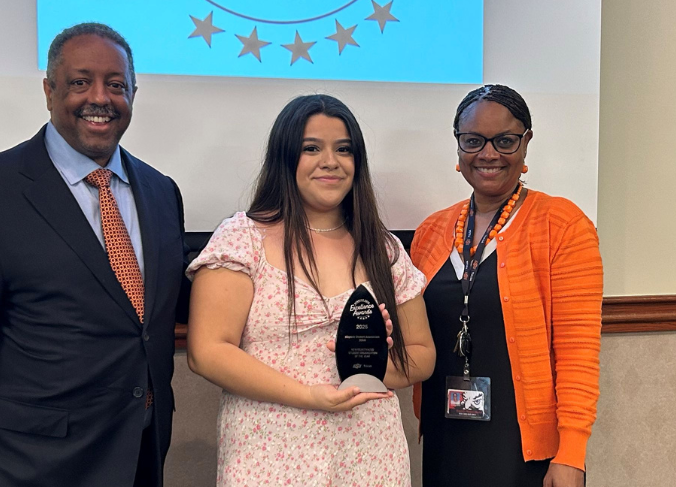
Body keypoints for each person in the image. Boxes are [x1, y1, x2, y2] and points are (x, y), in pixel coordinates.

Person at [0, 23, 190, 487]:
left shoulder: (162, 192)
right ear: (49, 91)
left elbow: (159, 313)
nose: (100, 98)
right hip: (33, 468)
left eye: (116, 85)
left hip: (140, 457)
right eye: (80, 82)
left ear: (133, 94)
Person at [186, 94, 436, 486]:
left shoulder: (383, 247)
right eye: (311, 148)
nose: (330, 161)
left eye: (344, 149)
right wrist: (308, 396)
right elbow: (207, 352)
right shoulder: (242, 239)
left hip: (372, 456)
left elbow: (422, 356)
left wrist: (369, 364)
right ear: (285, 157)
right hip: (270, 457)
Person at [410, 85, 603, 487]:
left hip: (522, 449)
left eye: (505, 140)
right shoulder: (431, 232)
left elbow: (578, 352)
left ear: (526, 142)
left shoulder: (562, 226)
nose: (489, 154)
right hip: (447, 435)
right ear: (458, 145)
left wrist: (571, 454)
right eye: (474, 140)